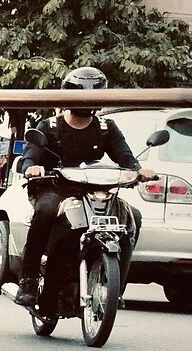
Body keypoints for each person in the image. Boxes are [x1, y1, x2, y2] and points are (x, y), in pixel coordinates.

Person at [15, 65, 138, 310]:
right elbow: (29, 157)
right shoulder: (48, 127)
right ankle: (28, 280)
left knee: (133, 217)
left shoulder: (106, 128)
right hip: (54, 188)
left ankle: (116, 289)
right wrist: (32, 167)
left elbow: (126, 158)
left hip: (92, 191)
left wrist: (138, 170)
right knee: (45, 211)